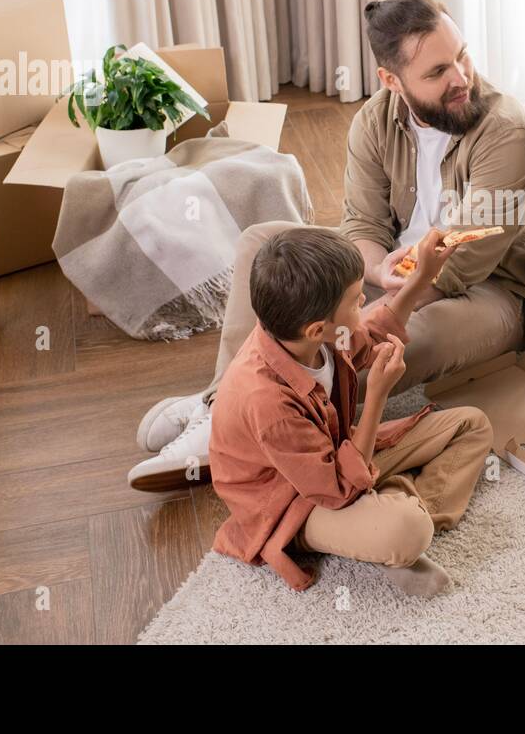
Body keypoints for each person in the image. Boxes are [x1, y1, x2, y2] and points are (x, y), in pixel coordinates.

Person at [128, 0, 525, 488]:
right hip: (394, 272)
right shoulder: (374, 120)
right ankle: (222, 401)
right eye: (436, 73)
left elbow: (462, 260)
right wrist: (374, 270)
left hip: (486, 293)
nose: (461, 78)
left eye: (462, 56)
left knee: (399, 341)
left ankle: (247, 416)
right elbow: (362, 226)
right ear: (391, 81)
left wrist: (374, 312)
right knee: (263, 244)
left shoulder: (503, 127)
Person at [207, 226, 492, 597]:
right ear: (317, 329)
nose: (365, 305)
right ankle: (390, 531)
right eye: (358, 301)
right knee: (407, 531)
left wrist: (422, 275)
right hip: (294, 504)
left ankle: (384, 520)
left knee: (472, 425)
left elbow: (370, 334)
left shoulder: (310, 335)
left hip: (340, 459)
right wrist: (376, 396)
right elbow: (336, 490)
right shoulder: (267, 401)